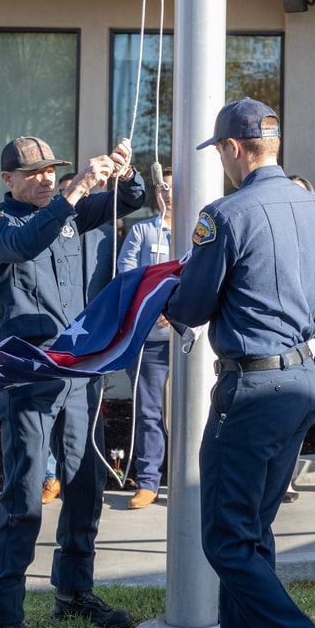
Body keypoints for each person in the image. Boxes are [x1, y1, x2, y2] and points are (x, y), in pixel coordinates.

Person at [165, 98, 315, 628]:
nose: (222, 161)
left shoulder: (225, 216)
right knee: (252, 533)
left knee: (226, 540)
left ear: (235, 149)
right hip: (301, 383)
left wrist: (164, 298)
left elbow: (191, 306)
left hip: (252, 390)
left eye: (220, 151)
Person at [0, 135, 146, 628]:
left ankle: (74, 590)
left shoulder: (67, 212)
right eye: (34, 173)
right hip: (29, 372)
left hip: (77, 370)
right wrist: (73, 192)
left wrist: (124, 171)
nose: (46, 179)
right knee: (25, 494)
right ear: (8, 179)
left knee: (85, 482)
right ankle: (2, 620)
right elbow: (26, 245)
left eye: (52, 170)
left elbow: (131, 198)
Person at [41, 171, 120, 505]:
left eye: (77, 191)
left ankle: (90, 481)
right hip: (55, 333)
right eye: (64, 192)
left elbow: (117, 280)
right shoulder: (46, 230)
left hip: (92, 335)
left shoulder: (106, 233)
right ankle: (50, 475)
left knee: (86, 411)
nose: (71, 197)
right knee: (49, 406)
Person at [117, 167, 172, 509]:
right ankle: (149, 482)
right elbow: (127, 275)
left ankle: (194, 480)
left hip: (192, 343)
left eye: (174, 187)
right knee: (149, 412)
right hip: (152, 340)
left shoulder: (202, 231)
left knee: (199, 411)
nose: (169, 194)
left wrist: (179, 310)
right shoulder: (142, 231)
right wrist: (155, 308)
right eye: (163, 188)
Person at [283, 174, 315, 503]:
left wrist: (305, 316)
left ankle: (287, 478)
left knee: (296, 418)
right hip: (273, 348)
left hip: (305, 341)